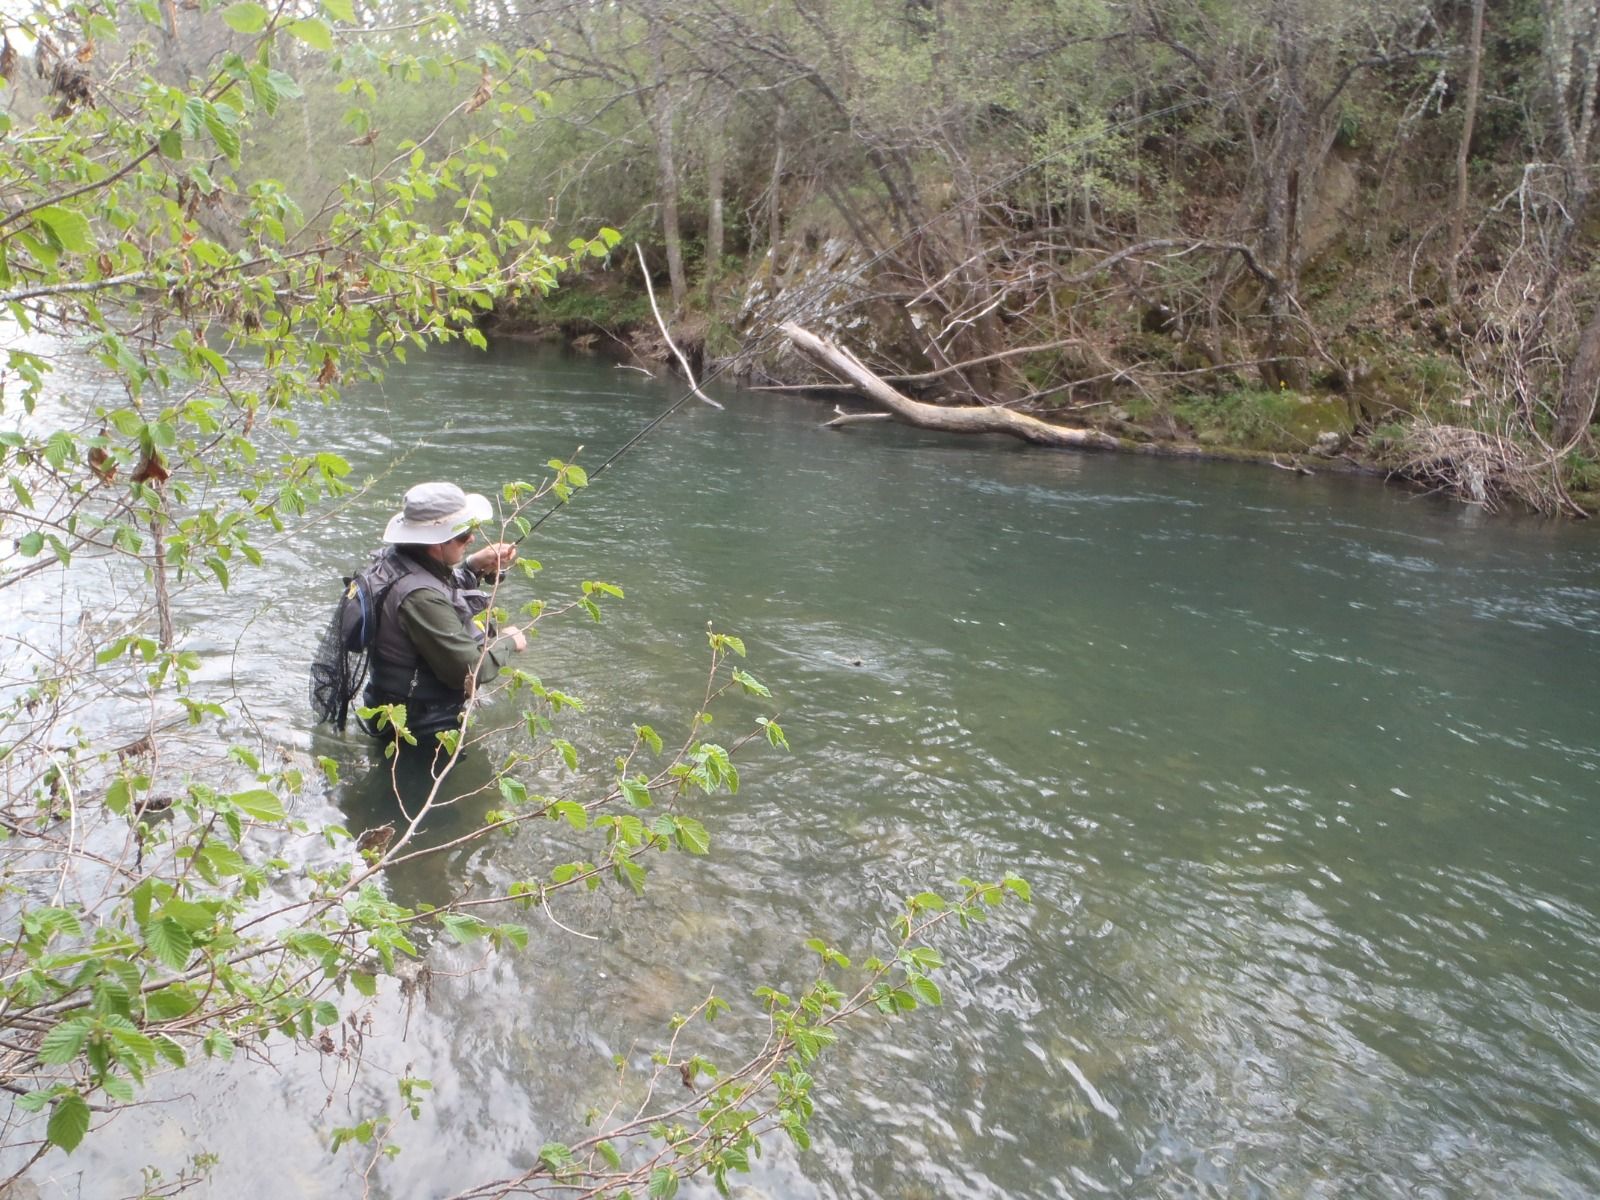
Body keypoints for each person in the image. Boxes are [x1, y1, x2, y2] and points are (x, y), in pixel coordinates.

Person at [360, 480, 528, 745]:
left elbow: (432, 584)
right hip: (421, 727)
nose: (472, 538)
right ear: (436, 543)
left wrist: (472, 567)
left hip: (389, 706)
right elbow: (469, 670)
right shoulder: (420, 599)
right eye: (462, 535)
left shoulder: (396, 560)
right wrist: (508, 641)